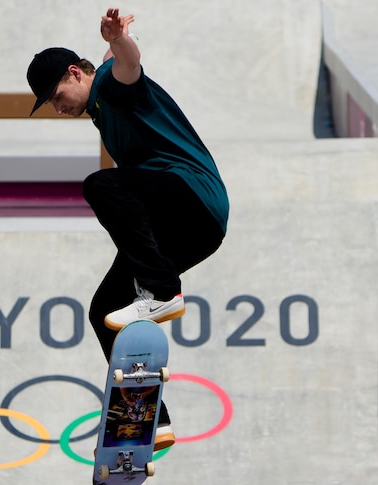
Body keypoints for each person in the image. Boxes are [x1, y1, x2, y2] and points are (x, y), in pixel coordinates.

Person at [26, 8, 229, 451]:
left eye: (57, 95)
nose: (58, 108)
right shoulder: (99, 101)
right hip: (180, 227)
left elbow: (127, 64)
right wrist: (112, 46)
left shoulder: (110, 89)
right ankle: (151, 421)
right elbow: (108, 60)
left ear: (75, 74)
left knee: (101, 185)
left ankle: (159, 292)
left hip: (192, 200)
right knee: (104, 308)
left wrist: (120, 40)